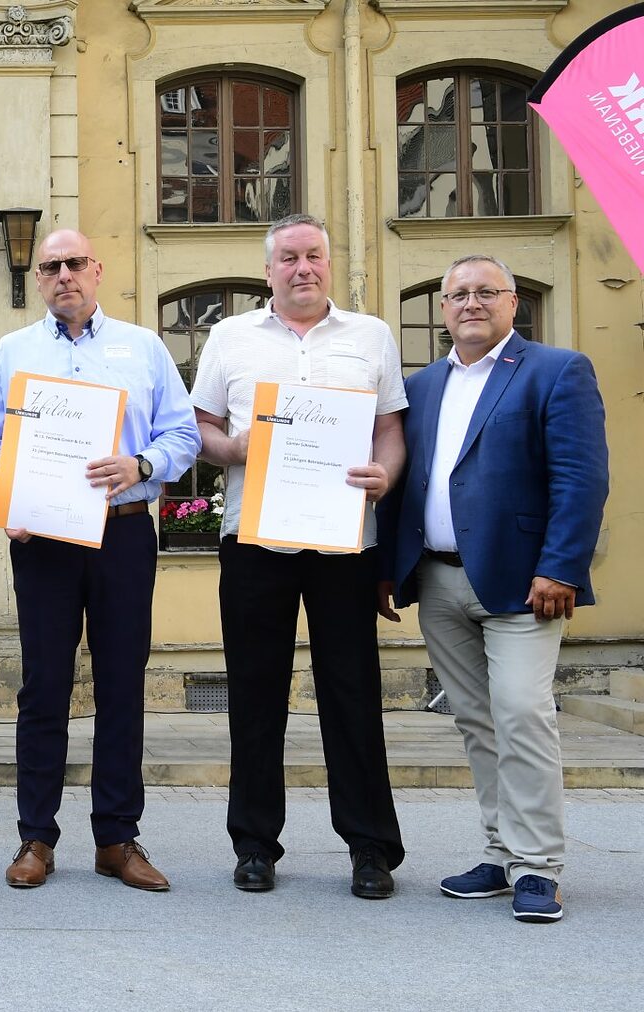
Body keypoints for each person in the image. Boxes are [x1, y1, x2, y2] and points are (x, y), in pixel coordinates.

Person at [377, 254, 608, 923]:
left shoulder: (556, 371)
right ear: (443, 307)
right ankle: (502, 849)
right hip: (439, 579)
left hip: (525, 582)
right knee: (477, 720)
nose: (471, 303)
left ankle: (538, 867)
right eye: (457, 294)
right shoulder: (422, 388)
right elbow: (404, 486)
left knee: (521, 711)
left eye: (486, 292)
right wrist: (387, 568)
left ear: (513, 303)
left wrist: (562, 565)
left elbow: (581, 477)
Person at [0, 229, 200, 891]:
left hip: (124, 531)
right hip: (42, 539)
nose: (64, 274)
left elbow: (181, 432)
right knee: (43, 686)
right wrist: (2, 496)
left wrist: (142, 463)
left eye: (74, 263)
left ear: (96, 269)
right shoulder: (14, 351)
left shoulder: (144, 347)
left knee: (122, 684)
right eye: (51, 267)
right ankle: (35, 837)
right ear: (39, 279)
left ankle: (117, 838)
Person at [190, 213, 406, 899]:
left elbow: (390, 430)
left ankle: (371, 847)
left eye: (314, 255)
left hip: (346, 540)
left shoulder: (370, 336)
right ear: (269, 270)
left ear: (329, 263)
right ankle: (255, 843)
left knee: (352, 693)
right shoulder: (229, 337)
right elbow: (201, 428)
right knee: (254, 694)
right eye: (289, 257)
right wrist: (234, 449)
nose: (303, 267)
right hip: (255, 539)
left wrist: (387, 475)